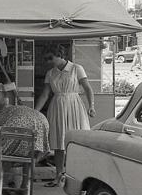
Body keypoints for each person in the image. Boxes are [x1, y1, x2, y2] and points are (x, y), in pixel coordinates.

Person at [35, 45, 96, 187]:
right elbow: (45, 94)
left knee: (76, 142)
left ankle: (79, 177)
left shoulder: (76, 68)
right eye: (46, 59)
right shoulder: (50, 73)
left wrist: (91, 106)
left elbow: (87, 88)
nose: (48, 61)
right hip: (57, 106)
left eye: (50, 58)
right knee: (58, 143)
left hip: (74, 105)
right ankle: (58, 176)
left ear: (59, 55)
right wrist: (36, 112)